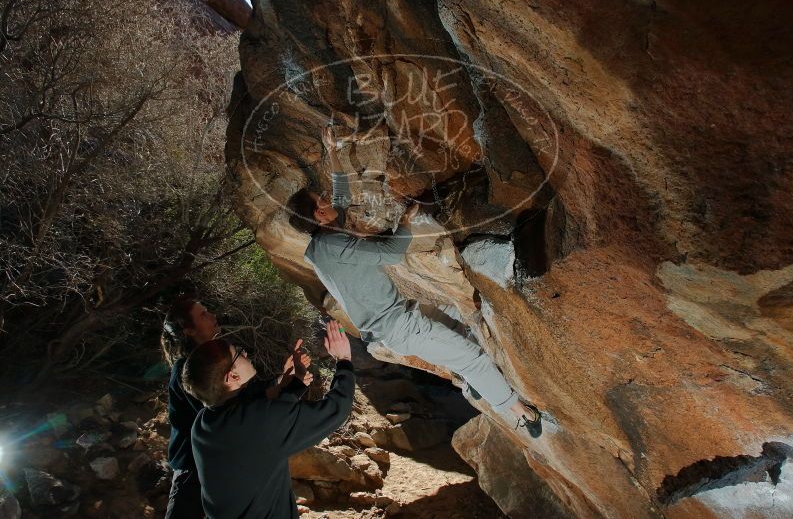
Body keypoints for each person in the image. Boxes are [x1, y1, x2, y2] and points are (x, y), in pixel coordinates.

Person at [286, 126, 542, 437]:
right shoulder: (333, 247)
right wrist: (406, 222)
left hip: (398, 318)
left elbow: (340, 201)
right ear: (319, 214)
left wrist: (332, 155)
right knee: (474, 358)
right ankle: (521, 414)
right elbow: (392, 252)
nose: (327, 200)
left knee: (457, 316)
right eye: (321, 200)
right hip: (400, 327)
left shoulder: (321, 243)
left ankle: (475, 384)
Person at [182, 319, 355, 519]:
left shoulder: (203, 424)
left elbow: (257, 407)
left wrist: (295, 381)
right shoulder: (257, 423)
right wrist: (344, 359)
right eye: (238, 353)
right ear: (233, 377)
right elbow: (336, 409)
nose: (245, 353)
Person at [161, 294, 311, 518]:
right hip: (193, 467)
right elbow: (236, 412)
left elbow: (246, 395)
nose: (212, 315)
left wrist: (284, 379)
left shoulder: (215, 358)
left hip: (220, 463)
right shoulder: (189, 373)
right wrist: (289, 388)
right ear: (189, 331)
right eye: (203, 314)